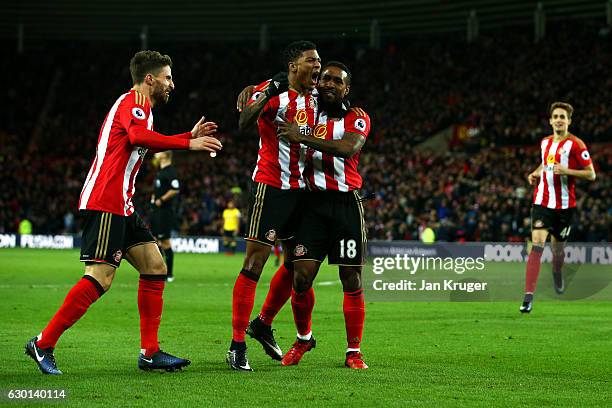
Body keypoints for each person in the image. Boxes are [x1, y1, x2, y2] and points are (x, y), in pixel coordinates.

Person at [24, 50, 222, 375]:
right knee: (100, 277)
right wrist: (188, 145)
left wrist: (188, 136)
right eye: (168, 78)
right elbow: (138, 137)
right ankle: (43, 343)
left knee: (155, 266)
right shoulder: (135, 102)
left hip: (122, 204)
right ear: (150, 79)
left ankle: (150, 352)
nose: (172, 84)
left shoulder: (142, 110)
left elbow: (146, 141)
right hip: (106, 200)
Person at [248, 62, 370, 369]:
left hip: (345, 207)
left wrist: (302, 139)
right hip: (312, 207)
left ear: (347, 88)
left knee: (351, 277)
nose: (328, 83)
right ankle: (303, 339)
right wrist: (253, 91)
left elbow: (348, 148)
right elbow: (276, 90)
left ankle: (353, 351)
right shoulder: (308, 114)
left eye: (336, 81)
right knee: (300, 276)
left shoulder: (357, 118)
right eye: (325, 78)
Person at [226, 40, 321, 371]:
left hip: (304, 191)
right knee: (255, 263)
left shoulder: (318, 95)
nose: (318, 67)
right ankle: (237, 344)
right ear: (294, 66)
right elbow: (242, 123)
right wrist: (263, 92)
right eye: (312, 61)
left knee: (298, 264)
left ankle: (263, 323)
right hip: (270, 186)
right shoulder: (272, 90)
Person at [520, 102, 596, 313]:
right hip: (542, 202)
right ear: (551, 120)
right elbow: (546, 163)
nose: (559, 119)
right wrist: (535, 172)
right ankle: (528, 297)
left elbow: (591, 174)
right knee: (536, 245)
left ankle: (556, 273)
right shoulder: (545, 142)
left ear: (569, 121)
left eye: (563, 116)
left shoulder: (577, 145)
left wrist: (567, 171)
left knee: (558, 251)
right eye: (556, 116)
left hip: (564, 207)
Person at [150, 151, 179, 282]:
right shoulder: (160, 172)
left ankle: (170, 274)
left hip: (164, 211)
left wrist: (161, 200)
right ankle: (159, 271)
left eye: (159, 151)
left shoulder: (170, 171)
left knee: (165, 242)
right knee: (155, 241)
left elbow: (175, 189)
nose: (156, 153)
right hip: (156, 211)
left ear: (166, 155)